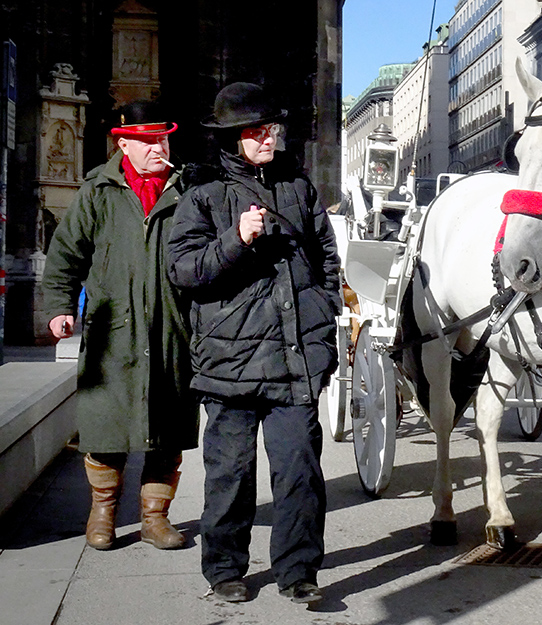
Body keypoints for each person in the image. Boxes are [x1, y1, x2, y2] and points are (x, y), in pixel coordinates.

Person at [167, 82, 341, 605]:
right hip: (229, 364)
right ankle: (225, 571)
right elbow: (183, 270)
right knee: (230, 477)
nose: (270, 138)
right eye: (258, 131)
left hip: (294, 359)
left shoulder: (299, 187)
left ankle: (299, 573)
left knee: (300, 475)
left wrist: (322, 309)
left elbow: (327, 259)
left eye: (273, 129)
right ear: (233, 138)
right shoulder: (202, 193)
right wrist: (235, 240)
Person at [41, 100, 199, 552]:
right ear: (123, 143)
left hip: (172, 329)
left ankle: (155, 518)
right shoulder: (99, 190)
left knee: (166, 431)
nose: (158, 148)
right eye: (148, 140)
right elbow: (66, 254)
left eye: (163, 139)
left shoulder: (184, 190)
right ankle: (103, 513)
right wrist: (58, 305)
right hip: (113, 331)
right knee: (106, 428)